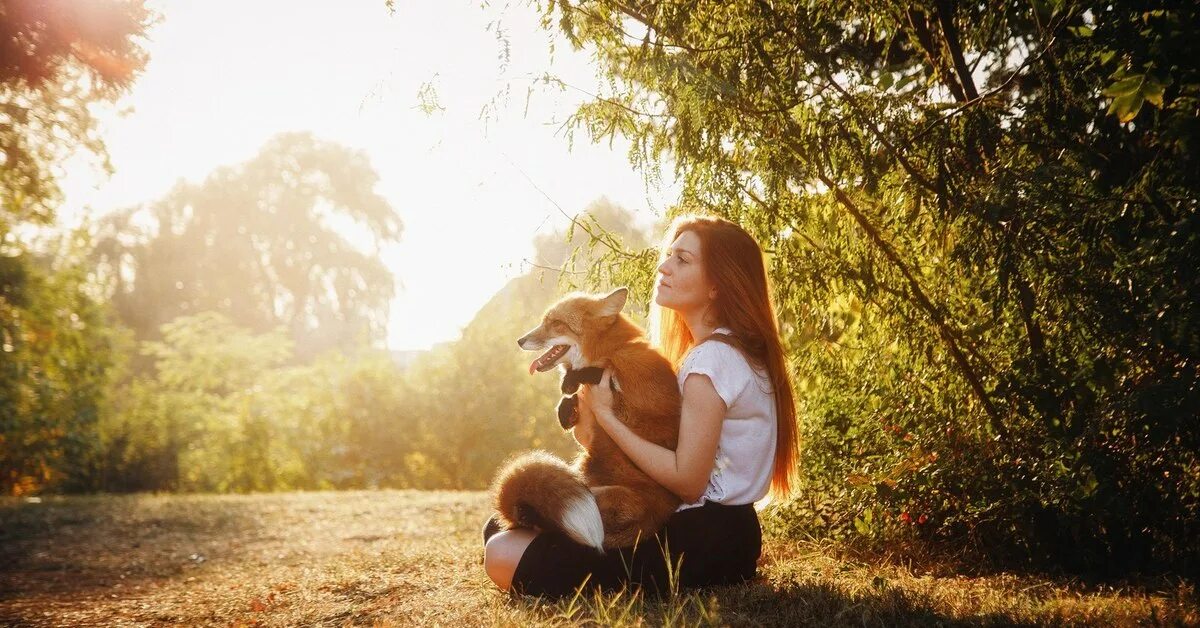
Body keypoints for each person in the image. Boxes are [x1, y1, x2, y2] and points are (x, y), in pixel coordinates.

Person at [482, 214, 798, 597]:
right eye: (668, 255)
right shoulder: (722, 352)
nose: (663, 267)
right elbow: (656, 453)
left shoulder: (711, 362)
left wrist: (606, 416)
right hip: (725, 534)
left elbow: (689, 481)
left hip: (704, 538)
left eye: (682, 260)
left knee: (502, 550)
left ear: (716, 286)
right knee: (504, 524)